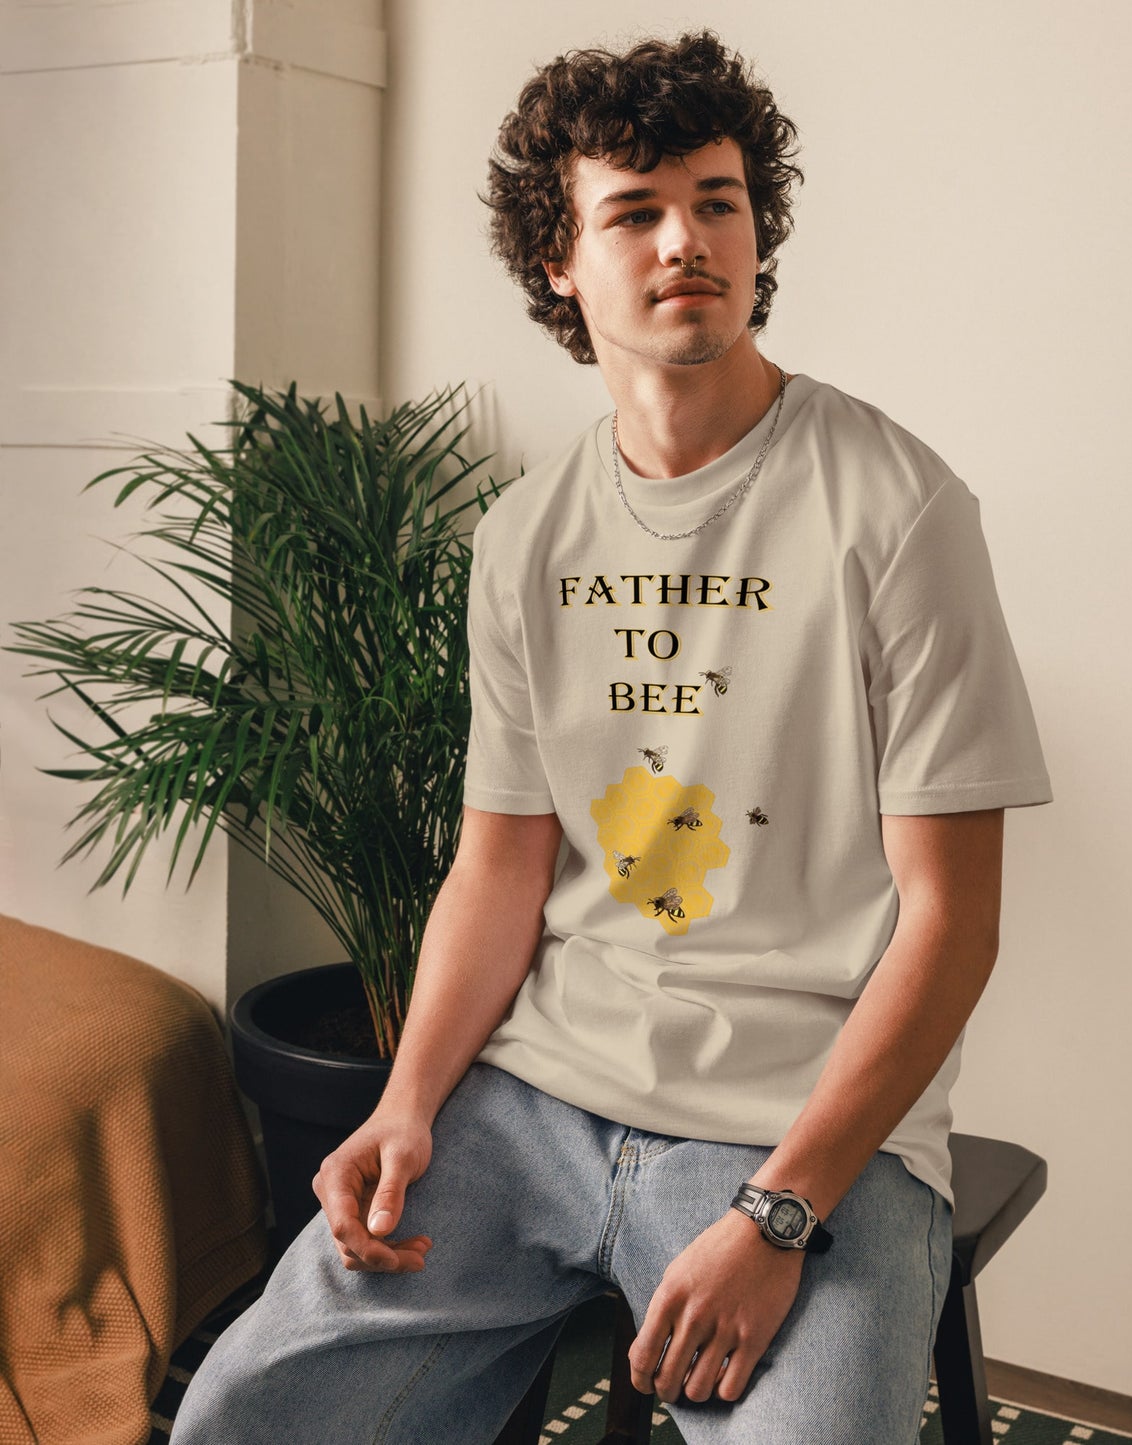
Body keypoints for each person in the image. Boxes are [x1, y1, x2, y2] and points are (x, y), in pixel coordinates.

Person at [171, 29, 1052, 1445]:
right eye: (632, 210)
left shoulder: (896, 510)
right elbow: (499, 868)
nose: (684, 239)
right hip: (529, 1108)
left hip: (799, 1127)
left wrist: (777, 1213)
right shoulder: (524, 536)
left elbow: (950, 922)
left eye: (716, 200)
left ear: (759, 233)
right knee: (240, 1414)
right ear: (559, 269)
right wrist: (406, 1107)